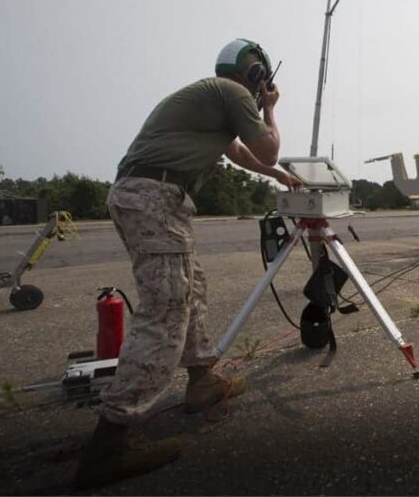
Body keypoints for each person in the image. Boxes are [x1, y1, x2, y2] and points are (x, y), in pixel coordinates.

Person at [75, 39, 301, 488]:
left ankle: (202, 382)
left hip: (156, 197)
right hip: (155, 197)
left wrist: (277, 176)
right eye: (263, 80)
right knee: (166, 310)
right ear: (256, 75)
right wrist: (272, 109)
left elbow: (241, 153)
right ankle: (109, 445)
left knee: (190, 289)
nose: (263, 89)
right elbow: (268, 147)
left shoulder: (214, 99)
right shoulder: (233, 93)